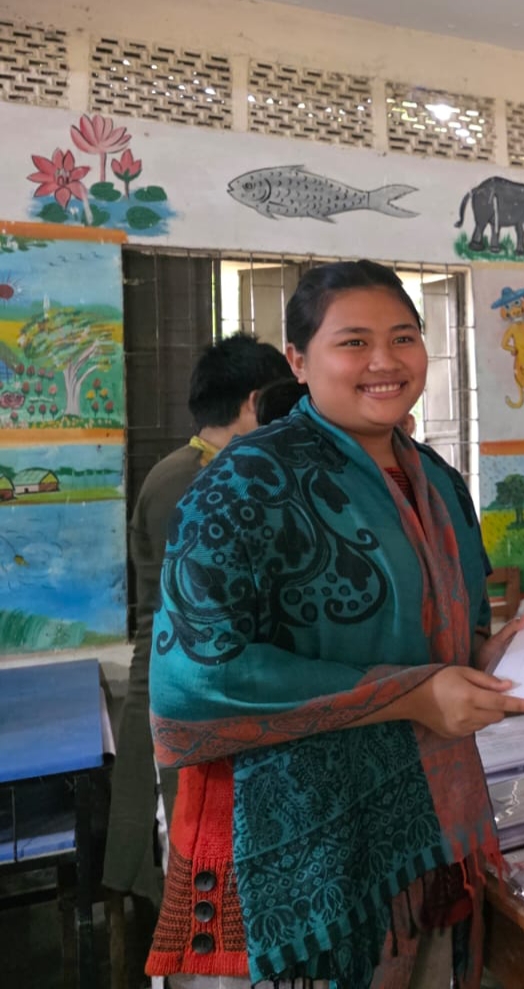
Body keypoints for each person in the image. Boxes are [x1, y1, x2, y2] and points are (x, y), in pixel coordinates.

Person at [147, 261, 524, 989]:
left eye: (404, 337)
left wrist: (486, 657)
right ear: (298, 360)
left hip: (426, 840)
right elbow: (194, 677)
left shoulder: (438, 479)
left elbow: (448, 627)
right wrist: (414, 694)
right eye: (354, 342)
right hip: (296, 859)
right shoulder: (246, 481)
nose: (385, 361)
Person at [105, 333, 292, 922]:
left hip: (205, 704)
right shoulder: (194, 483)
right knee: (209, 890)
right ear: (255, 402)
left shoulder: (194, 472)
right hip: (198, 709)